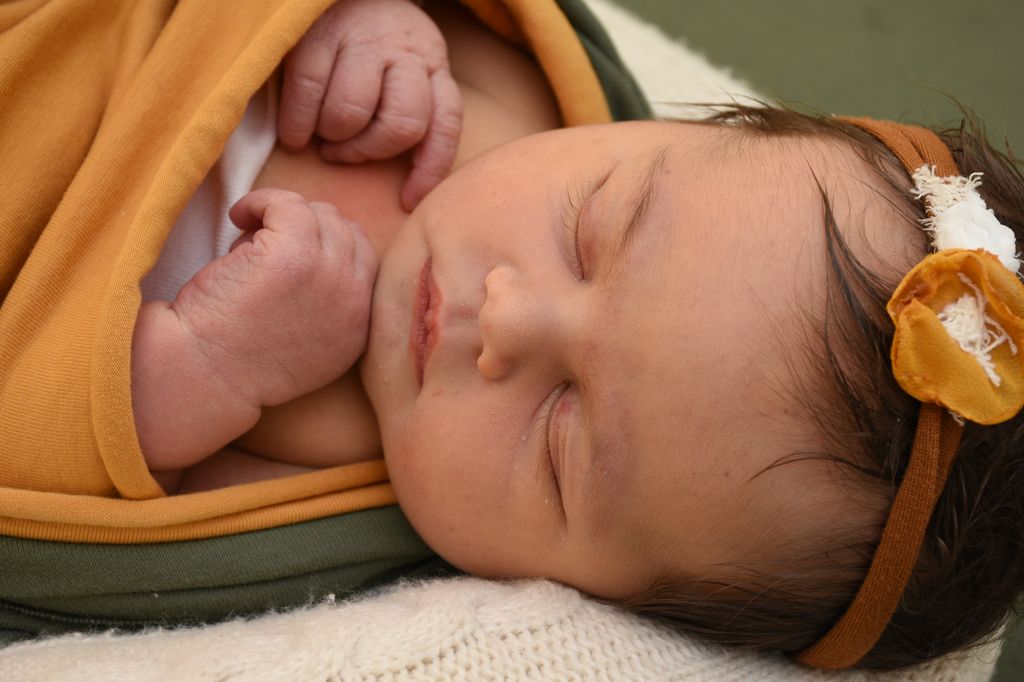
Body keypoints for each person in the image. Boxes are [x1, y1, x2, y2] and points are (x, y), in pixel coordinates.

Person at [127, 0, 1024, 672]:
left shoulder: (323, 503)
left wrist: (202, 368)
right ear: (665, 128)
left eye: (559, 437)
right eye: (588, 234)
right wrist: (354, 18)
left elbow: (94, 522)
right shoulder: (505, 82)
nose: (506, 317)